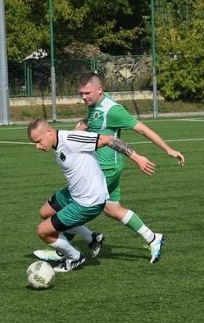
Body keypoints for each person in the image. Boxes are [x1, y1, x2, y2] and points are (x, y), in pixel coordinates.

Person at [73, 71, 185, 263]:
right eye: (81, 94)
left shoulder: (113, 110)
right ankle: (153, 238)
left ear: (99, 90)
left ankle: (67, 250)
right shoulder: (96, 104)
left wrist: (167, 149)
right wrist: (85, 123)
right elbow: (99, 123)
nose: (84, 97)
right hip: (106, 166)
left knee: (74, 206)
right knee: (112, 209)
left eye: (87, 93)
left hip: (106, 168)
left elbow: (142, 128)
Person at [27, 119, 155, 272]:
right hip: (74, 192)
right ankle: (92, 238)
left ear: (49, 132)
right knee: (45, 212)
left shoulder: (70, 140)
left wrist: (137, 158)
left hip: (88, 201)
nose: (37, 146)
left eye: (39, 141)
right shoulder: (61, 141)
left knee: (43, 231)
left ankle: (75, 257)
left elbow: (108, 139)